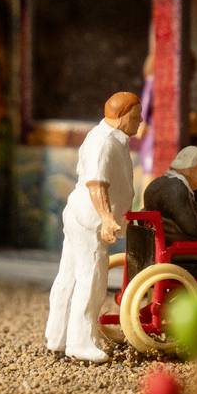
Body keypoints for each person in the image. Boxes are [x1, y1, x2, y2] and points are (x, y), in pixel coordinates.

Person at [47, 89, 141, 363]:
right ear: (121, 117)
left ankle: (57, 336)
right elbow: (96, 184)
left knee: (70, 275)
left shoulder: (113, 140)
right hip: (91, 218)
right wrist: (108, 218)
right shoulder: (103, 142)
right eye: (135, 116)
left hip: (84, 214)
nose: (140, 120)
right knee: (92, 279)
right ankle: (81, 342)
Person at [139, 143, 197, 246]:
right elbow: (192, 227)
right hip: (174, 247)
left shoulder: (160, 183)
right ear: (190, 170)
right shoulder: (176, 188)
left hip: (160, 242)